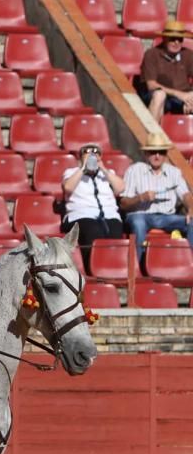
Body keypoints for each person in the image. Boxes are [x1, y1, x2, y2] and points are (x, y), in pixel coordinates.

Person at [121, 132, 193, 264]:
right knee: (138, 223)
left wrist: (191, 208)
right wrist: (141, 198)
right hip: (140, 214)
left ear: (166, 154)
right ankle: (136, 266)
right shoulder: (134, 170)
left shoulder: (174, 172)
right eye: (153, 152)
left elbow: (186, 195)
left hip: (167, 216)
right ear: (146, 154)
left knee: (192, 221)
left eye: (161, 152)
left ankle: (190, 264)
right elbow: (124, 203)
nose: (157, 156)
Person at [62, 142, 125, 271]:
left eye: (96, 152)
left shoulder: (108, 174)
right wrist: (83, 168)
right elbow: (68, 187)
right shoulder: (71, 172)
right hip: (81, 216)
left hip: (108, 215)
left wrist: (103, 169)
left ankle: (112, 269)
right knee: (93, 230)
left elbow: (121, 188)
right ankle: (93, 268)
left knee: (115, 230)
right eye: (87, 152)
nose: (92, 154)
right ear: (80, 156)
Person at [137, 19, 193, 123]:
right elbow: (151, 85)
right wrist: (179, 94)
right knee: (159, 95)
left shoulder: (188, 54)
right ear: (164, 38)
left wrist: (190, 98)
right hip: (161, 95)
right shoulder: (152, 54)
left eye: (180, 39)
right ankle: (151, 136)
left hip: (183, 96)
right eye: (172, 39)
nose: (176, 42)